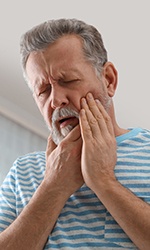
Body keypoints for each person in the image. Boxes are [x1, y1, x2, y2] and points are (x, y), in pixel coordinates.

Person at [0, 18, 150, 250]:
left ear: (108, 80)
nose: (56, 100)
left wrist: (103, 181)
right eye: (44, 90)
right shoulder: (23, 172)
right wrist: (54, 186)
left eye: (68, 81)